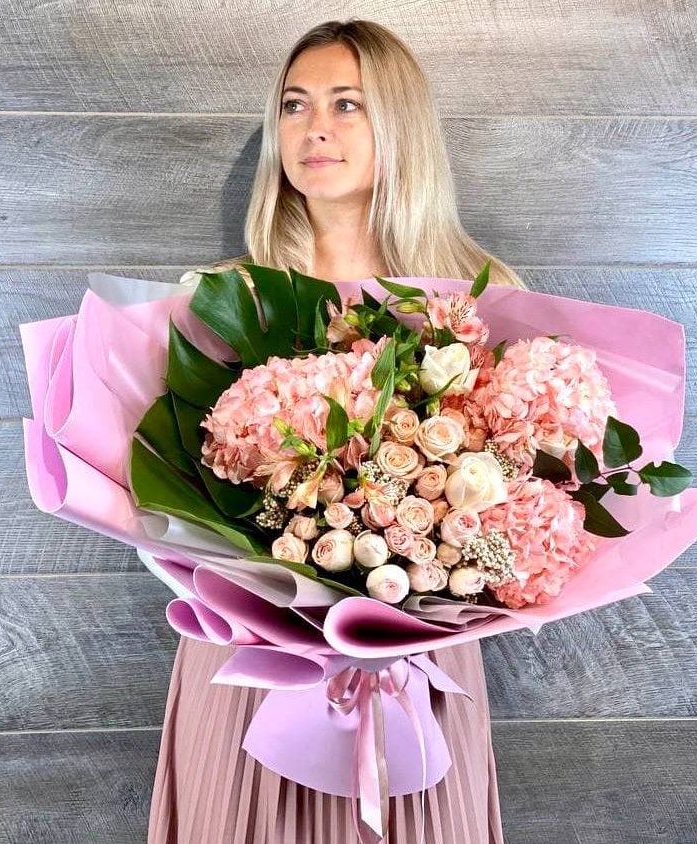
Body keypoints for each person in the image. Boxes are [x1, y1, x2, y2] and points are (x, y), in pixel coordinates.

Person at [149, 19, 522, 844]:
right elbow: (165, 493)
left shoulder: (476, 301)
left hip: (414, 662)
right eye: (295, 105)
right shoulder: (226, 298)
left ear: (400, 124)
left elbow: (524, 508)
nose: (314, 127)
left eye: (347, 103)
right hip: (250, 655)